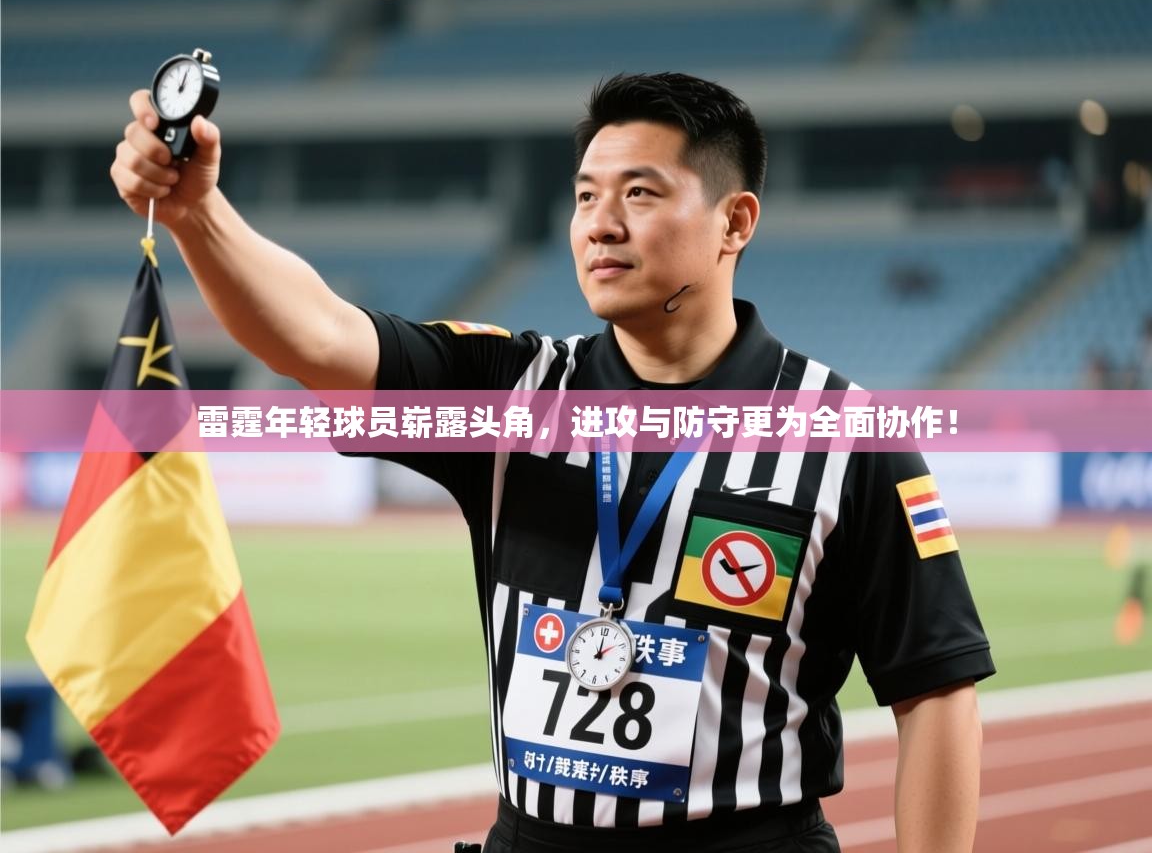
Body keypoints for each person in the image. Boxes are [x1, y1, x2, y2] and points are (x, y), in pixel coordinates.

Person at [111, 72, 994, 852]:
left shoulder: (848, 438)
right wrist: (196, 215)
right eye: (585, 196)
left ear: (735, 221)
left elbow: (936, 693)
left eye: (640, 193)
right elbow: (318, 336)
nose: (601, 225)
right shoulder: (510, 388)